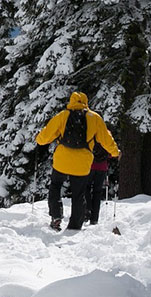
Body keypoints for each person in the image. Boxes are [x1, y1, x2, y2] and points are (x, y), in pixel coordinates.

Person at [35, 91, 119, 231]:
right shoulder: (94, 118)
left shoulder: (62, 116)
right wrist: (116, 152)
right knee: (79, 194)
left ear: (71, 101)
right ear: (86, 102)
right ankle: (74, 225)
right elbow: (106, 139)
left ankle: (56, 215)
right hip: (82, 163)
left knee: (55, 186)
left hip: (62, 161)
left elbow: (45, 137)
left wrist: (38, 139)